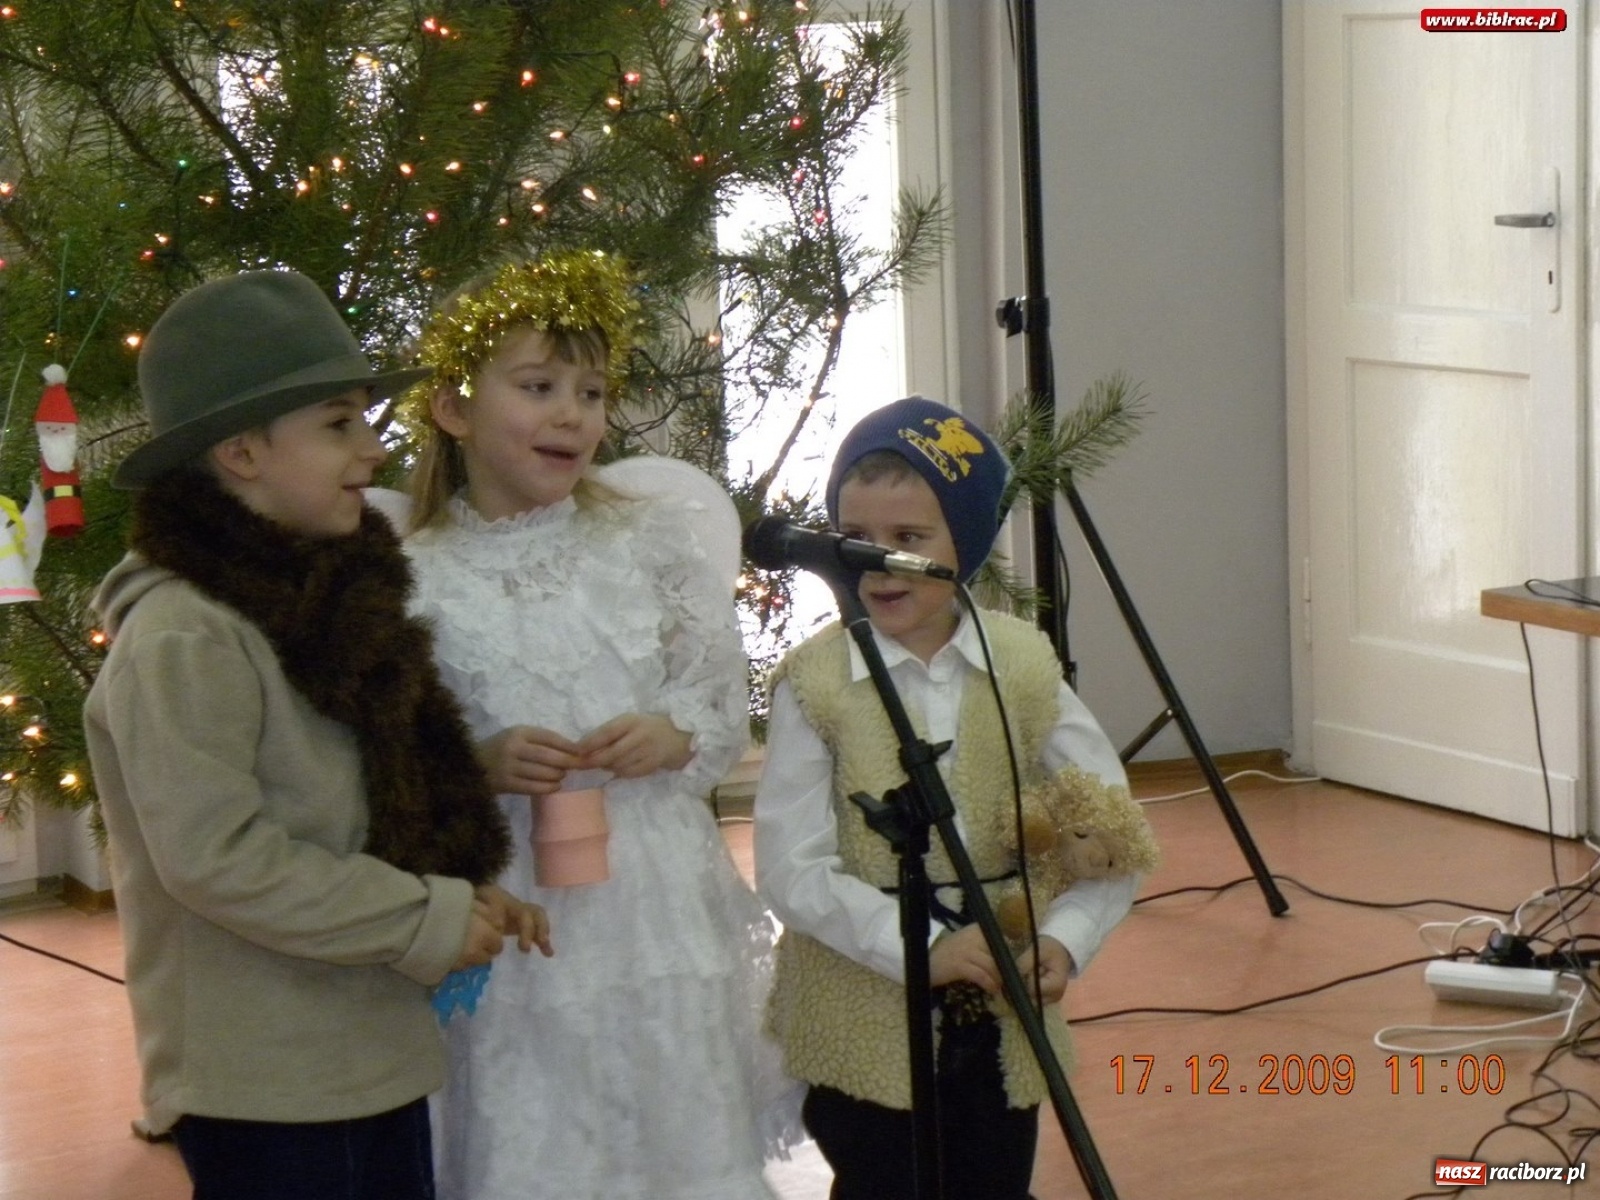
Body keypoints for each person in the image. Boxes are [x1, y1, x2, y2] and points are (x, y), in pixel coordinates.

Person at [83, 269, 551, 1200]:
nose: (373, 452)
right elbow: (217, 858)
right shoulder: (187, 634)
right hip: (269, 1086)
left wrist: (461, 860)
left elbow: (354, 796)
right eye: (339, 424)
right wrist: (423, 916)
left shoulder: (328, 604)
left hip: (365, 1051)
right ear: (243, 452)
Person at [402, 252, 798, 1200]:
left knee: (671, 1095)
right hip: (516, 906)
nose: (573, 414)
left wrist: (676, 735)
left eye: (590, 391)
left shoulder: (643, 537)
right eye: (538, 388)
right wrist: (481, 762)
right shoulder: (418, 573)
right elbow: (401, 754)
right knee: (541, 1113)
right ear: (455, 410)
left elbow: (714, 687)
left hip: (653, 892)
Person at [754, 395, 1159, 1200]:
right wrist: (920, 951)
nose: (877, 563)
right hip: (862, 1009)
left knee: (992, 1177)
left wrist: (1068, 939)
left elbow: (1112, 831)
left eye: (909, 541)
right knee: (883, 1180)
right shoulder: (817, 684)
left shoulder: (1022, 664)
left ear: (964, 547)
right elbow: (790, 868)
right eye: (857, 539)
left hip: (1000, 1009)